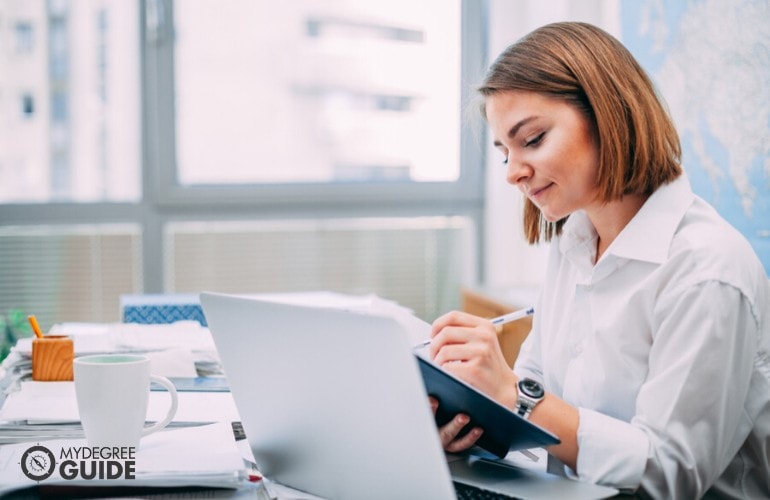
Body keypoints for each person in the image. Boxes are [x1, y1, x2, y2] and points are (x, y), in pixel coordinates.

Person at [428, 21, 770, 499]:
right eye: (504, 151)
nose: (512, 173)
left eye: (532, 139)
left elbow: (669, 474)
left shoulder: (707, 269)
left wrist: (514, 395)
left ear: (607, 114)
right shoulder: (573, 245)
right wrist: (469, 422)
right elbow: (538, 392)